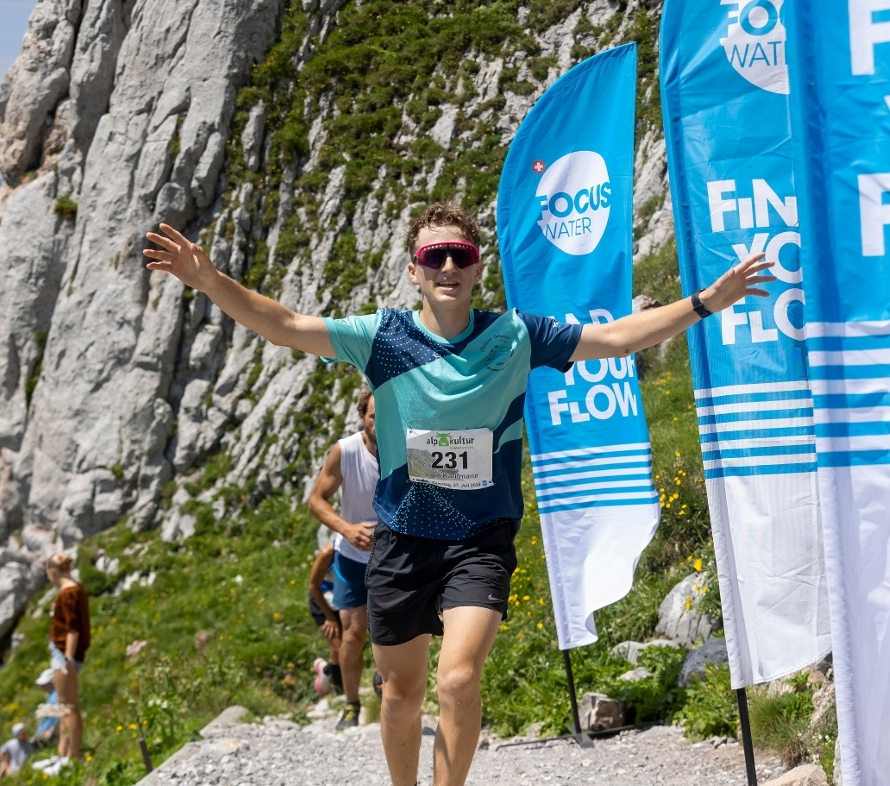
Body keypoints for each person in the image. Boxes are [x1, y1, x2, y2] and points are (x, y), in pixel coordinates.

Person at [145, 202, 771, 785]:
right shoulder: (382, 338)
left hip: (480, 539)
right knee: (399, 693)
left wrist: (705, 302)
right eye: (433, 256)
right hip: (403, 541)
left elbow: (615, 340)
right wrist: (209, 280)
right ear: (414, 270)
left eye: (461, 256)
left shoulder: (517, 335)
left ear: (478, 267)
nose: (448, 266)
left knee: (460, 679)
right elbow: (283, 325)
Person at [308, 387, 380, 731]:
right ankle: (351, 705)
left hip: (394, 556)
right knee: (352, 636)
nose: (379, 424)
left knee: (392, 631)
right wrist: (347, 529)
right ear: (361, 417)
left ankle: (389, 690)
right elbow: (317, 500)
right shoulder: (345, 450)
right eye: (373, 417)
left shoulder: (411, 446)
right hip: (351, 555)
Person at [45, 552, 90, 761]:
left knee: (68, 707)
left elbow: (73, 629)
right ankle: (63, 754)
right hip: (61, 652)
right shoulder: (73, 589)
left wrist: (68, 659)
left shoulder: (68, 593)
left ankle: (71, 757)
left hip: (64, 654)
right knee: (63, 706)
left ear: (53, 570)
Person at [308, 537, 345, 696]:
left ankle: (326, 669)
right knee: (338, 646)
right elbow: (313, 586)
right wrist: (329, 617)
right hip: (321, 600)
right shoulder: (327, 553)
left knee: (350, 646)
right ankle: (341, 694)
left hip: (343, 599)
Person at [32, 668, 60, 747]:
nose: (42, 686)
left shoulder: (56, 696)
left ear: (51, 683)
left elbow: (58, 715)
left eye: (44, 684)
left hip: (48, 735)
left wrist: (51, 731)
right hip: (44, 734)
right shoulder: (52, 695)